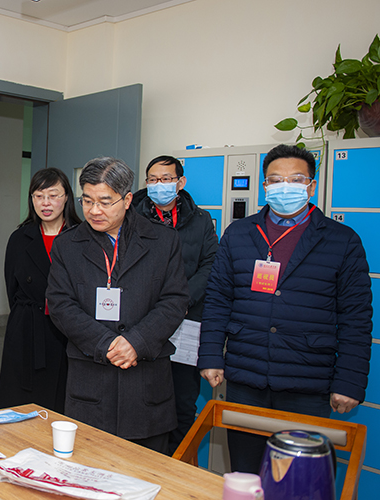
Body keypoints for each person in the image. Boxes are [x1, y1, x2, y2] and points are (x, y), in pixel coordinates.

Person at [198, 144, 373, 473]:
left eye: (295, 179)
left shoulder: (342, 240)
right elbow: (218, 299)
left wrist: (349, 382)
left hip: (307, 381)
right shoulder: (239, 233)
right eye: (276, 180)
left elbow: (356, 319)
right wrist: (210, 356)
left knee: (300, 480)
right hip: (246, 377)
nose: (285, 187)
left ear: (311, 186)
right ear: (265, 186)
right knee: (246, 475)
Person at [46, 156, 189, 454]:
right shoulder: (67, 245)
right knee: (87, 469)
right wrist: (105, 344)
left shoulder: (163, 241)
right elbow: (60, 304)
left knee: (147, 473)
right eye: (87, 201)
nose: (94, 210)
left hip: (145, 383)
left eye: (104, 202)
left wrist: (136, 342)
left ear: (127, 200)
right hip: (91, 383)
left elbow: (174, 300)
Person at [131, 155, 219, 454]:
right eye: (153, 179)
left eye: (167, 179)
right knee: (143, 399)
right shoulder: (132, 217)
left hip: (187, 320)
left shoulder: (201, 219)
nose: (160, 185)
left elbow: (210, 263)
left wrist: (181, 301)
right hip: (144, 320)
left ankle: (178, 463)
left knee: (183, 401)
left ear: (180, 182)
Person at [0, 168, 82, 413]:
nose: (46, 203)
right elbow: (12, 290)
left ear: (66, 197)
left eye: (53, 195)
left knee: (63, 402)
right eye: (39, 196)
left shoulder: (82, 237)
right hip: (28, 328)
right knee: (21, 404)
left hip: (69, 330)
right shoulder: (20, 237)